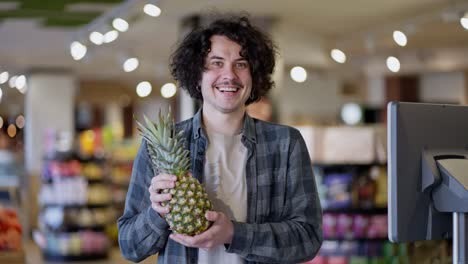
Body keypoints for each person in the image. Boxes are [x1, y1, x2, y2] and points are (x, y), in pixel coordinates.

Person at [118, 14, 323, 264]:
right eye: (216, 63)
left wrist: (234, 234)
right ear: (196, 75)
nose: (229, 75)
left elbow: (308, 238)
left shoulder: (286, 143)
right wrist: (157, 214)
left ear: (254, 74)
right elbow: (130, 246)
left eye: (241, 63)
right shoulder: (160, 146)